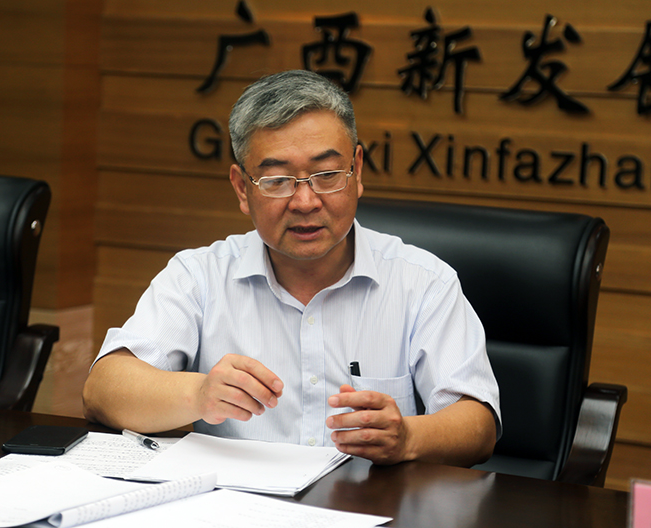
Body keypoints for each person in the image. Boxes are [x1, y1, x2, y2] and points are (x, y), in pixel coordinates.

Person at [83, 69, 501, 467]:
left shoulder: (422, 282)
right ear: (242, 188)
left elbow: (478, 425)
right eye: (277, 181)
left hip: (371, 504)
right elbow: (102, 390)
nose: (305, 201)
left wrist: (407, 438)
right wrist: (199, 392)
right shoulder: (200, 276)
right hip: (239, 503)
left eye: (327, 174)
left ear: (357, 171)